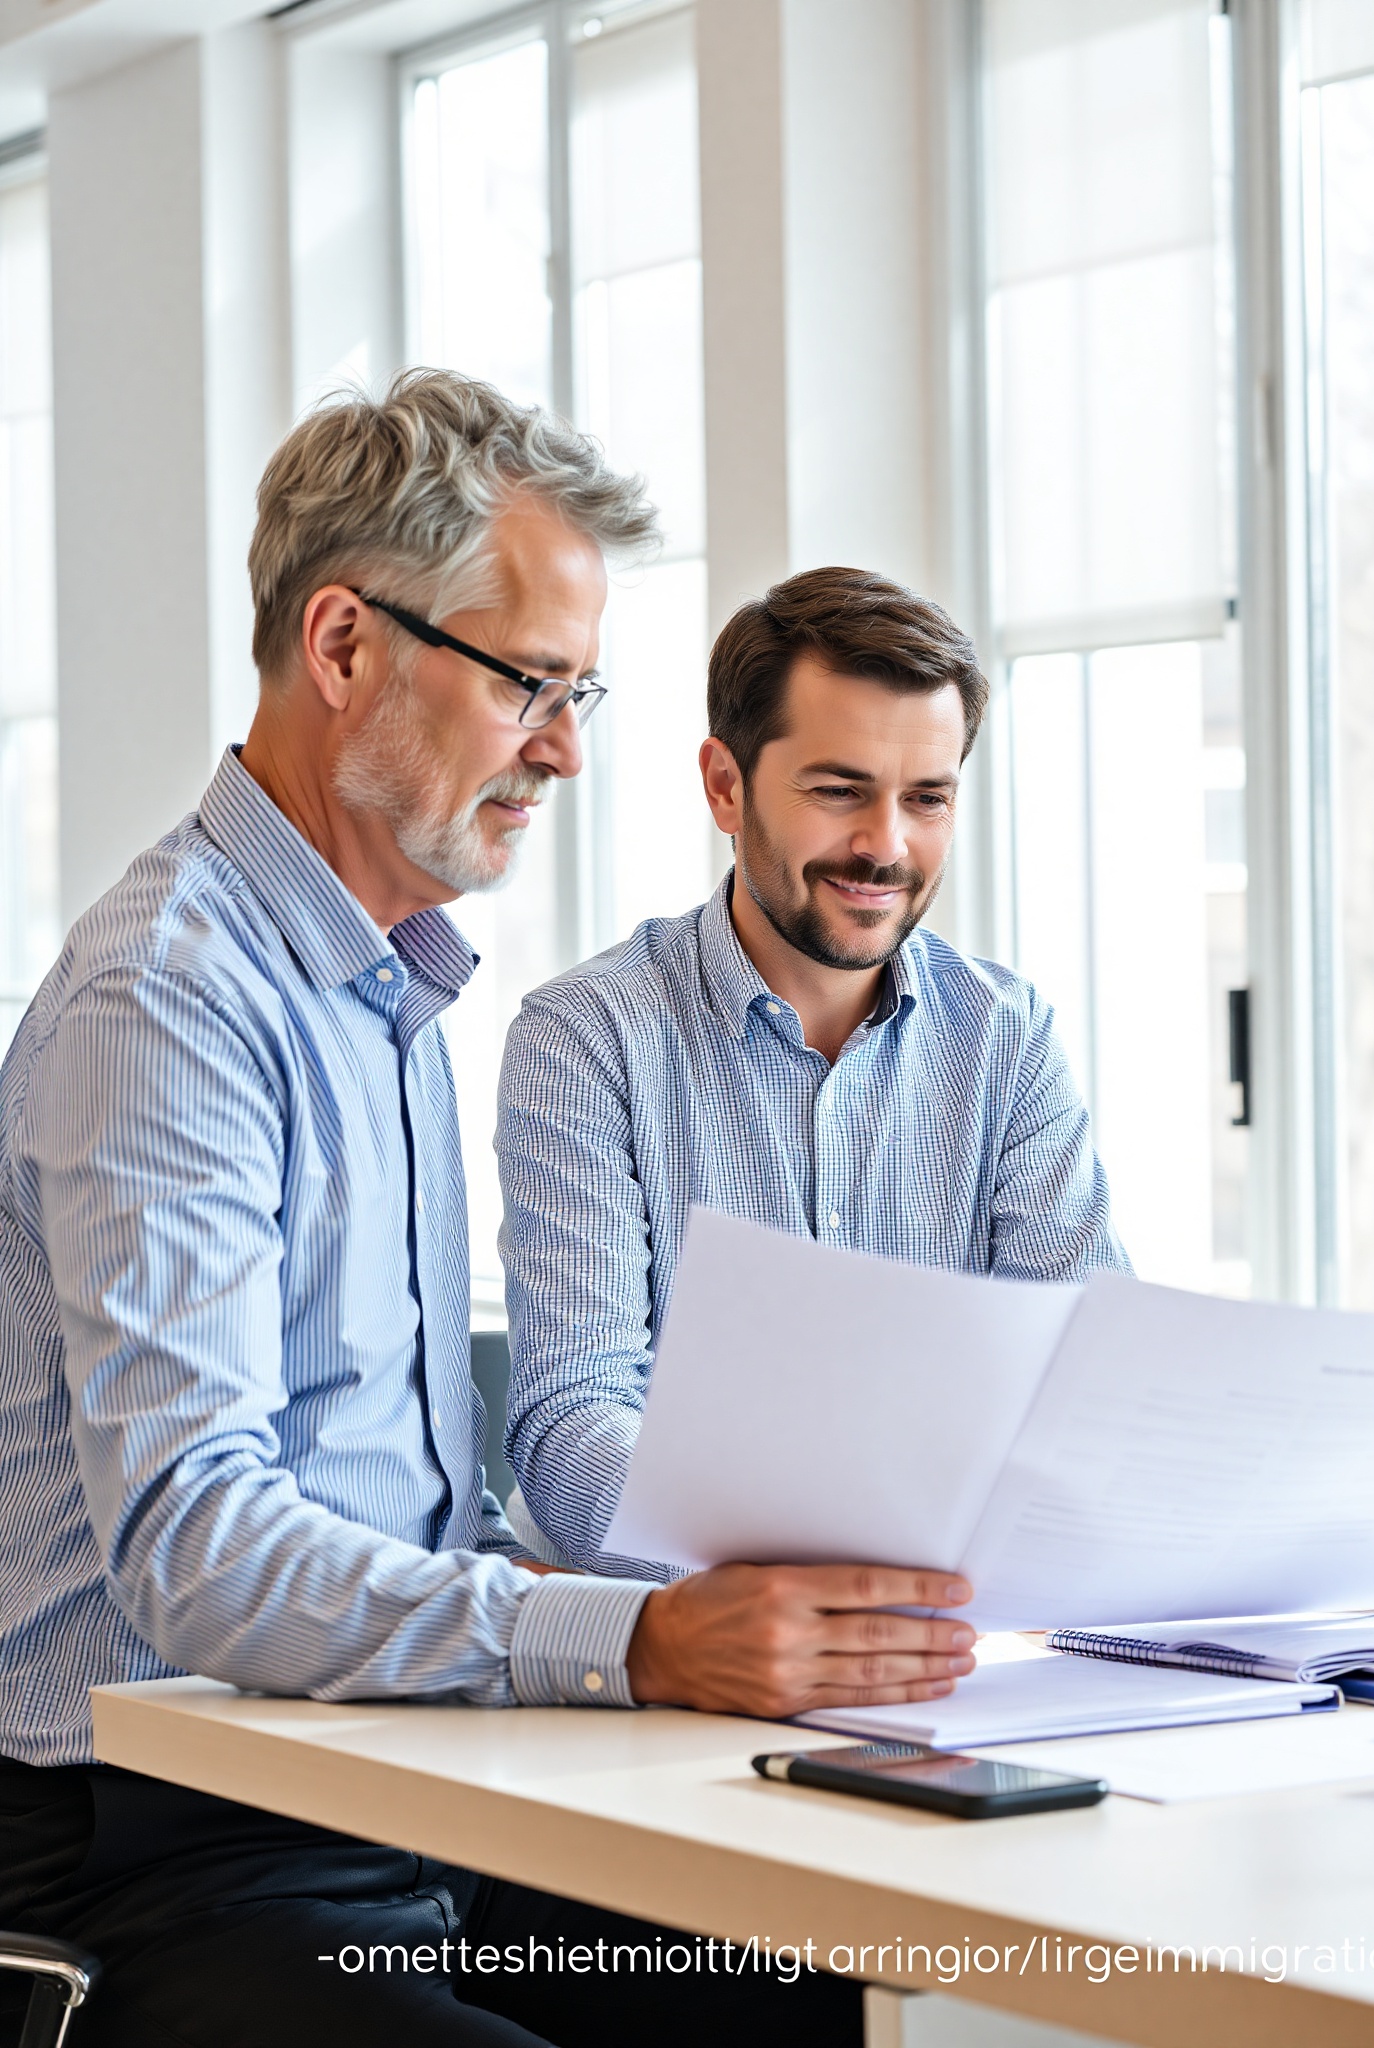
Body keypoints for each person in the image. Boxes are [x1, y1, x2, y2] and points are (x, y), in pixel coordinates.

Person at [0, 372, 945, 2046]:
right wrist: (635, 1636)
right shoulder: (170, 1000)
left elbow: (377, 1500)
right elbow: (202, 1549)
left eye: (580, 691)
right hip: (165, 1859)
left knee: (849, 2003)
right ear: (346, 645)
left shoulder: (379, 989)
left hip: (392, 1807)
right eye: (529, 683)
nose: (568, 748)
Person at [497, 566, 1127, 1579]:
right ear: (723, 785)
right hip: (666, 1641)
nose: (885, 845)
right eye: (839, 791)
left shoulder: (1007, 1041)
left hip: (934, 1639)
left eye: (926, 798)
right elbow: (574, 1424)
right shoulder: (588, 1036)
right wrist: (792, 1587)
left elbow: (1085, 1385)